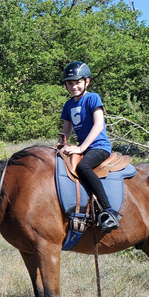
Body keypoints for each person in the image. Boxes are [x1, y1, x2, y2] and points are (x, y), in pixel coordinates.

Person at [59, 61, 120, 232]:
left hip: (98, 146)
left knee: (84, 167)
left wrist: (79, 148)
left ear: (87, 82)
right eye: (70, 83)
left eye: (77, 82)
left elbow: (98, 125)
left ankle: (109, 211)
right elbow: (66, 131)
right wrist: (61, 144)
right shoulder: (68, 105)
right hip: (83, 147)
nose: (73, 87)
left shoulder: (92, 98)